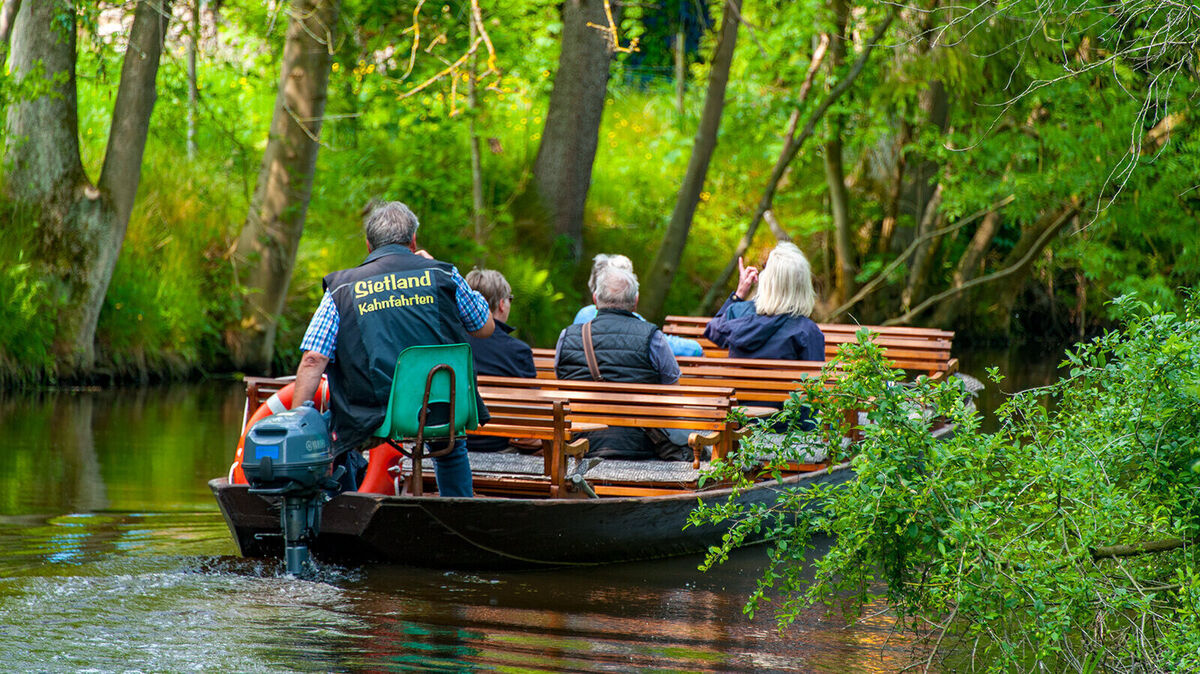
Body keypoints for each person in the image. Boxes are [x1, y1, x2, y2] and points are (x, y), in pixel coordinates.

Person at [291, 200, 495, 496]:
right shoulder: (443, 275)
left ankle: (345, 511)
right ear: (413, 241)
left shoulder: (341, 289)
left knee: (334, 437)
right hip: (438, 409)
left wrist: (300, 421)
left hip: (370, 413)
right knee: (449, 443)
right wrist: (437, 265)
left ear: (368, 245)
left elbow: (313, 358)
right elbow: (484, 326)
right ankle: (459, 510)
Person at [555, 265, 690, 460]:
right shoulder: (653, 337)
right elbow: (673, 396)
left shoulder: (567, 336)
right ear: (635, 301)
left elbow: (562, 383)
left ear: (595, 299)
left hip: (578, 443)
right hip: (640, 445)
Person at [704, 242, 825, 431]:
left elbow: (713, 331)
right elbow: (814, 395)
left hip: (737, 423)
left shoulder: (737, 313)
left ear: (766, 280)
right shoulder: (807, 331)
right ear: (802, 285)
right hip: (787, 430)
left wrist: (739, 294)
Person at [572, 253, 704, 358]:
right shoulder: (636, 323)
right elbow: (662, 345)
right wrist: (695, 348)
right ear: (633, 296)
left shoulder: (582, 316)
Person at [463, 268, 537, 452]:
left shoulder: (448, 343)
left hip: (452, 443)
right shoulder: (517, 351)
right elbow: (534, 411)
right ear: (502, 304)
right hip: (499, 446)